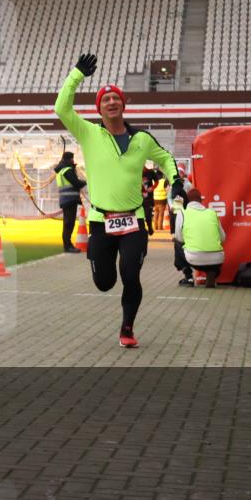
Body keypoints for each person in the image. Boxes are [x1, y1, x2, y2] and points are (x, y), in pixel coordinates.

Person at [55, 52, 185, 348]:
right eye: (105, 99)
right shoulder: (89, 133)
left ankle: (127, 327)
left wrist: (176, 182)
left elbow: (165, 159)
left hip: (134, 221)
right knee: (104, 283)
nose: (111, 102)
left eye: (116, 98)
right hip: (101, 221)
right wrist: (76, 75)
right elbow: (61, 108)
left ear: (123, 105)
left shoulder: (142, 139)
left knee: (130, 273)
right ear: (99, 108)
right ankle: (102, 274)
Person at [174, 188, 226, 288]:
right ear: (201, 201)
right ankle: (212, 271)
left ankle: (188, 277)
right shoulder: (212, 212)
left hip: (194, 258)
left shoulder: (182, 213)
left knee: (176, 242)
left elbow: (179, 237)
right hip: (217, 260)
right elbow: (223, 238)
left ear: (186, 201)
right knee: (215, 245)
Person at [55, 151, 86, 252]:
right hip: (70, 200)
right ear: (69, 159)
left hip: (66, 199)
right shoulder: (67, 170)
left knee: (67, 224)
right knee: (69, 224)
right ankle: (68, 246)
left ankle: (67, 245)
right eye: (72, 158)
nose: (73, 160)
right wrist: (86, 181)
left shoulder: (61, 170)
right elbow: (76, 183)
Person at [141, 164, 158, 236]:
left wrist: (153, 188)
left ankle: (150, 227)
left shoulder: (150, 172)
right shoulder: (136, 171)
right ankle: (142, 229)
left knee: (148, 214)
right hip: (138, 197)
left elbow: (157, 181)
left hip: (149, 197)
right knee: (140, 214)